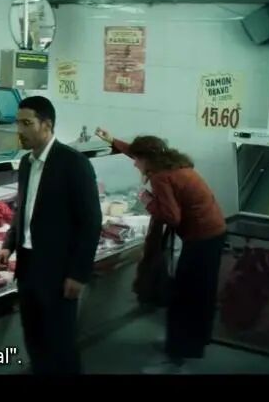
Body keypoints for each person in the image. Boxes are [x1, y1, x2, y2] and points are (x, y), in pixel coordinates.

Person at [95, 128, 226, 374]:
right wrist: (112, 140)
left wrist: (146, 200)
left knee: (184, 297)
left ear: (147, 159)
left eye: (136, 160)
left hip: (201, 239)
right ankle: (188, 345)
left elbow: (171, 217)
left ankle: (175, 357)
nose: (134, 164)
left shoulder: (160, 177)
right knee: (199, 295)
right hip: (213, 233)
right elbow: (137, 152)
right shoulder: (171, 163)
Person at [0, 96, 102, 375]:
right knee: (34, 337)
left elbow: (91, 222)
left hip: (58, 270)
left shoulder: (73, 163)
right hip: (27, 267)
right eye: (18, 123)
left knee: (60, 343)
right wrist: (8, 245)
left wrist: (78, 273)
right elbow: (23, 209)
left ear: (47, 124)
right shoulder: (26, 163)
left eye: (27, 123)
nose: (20, 130)